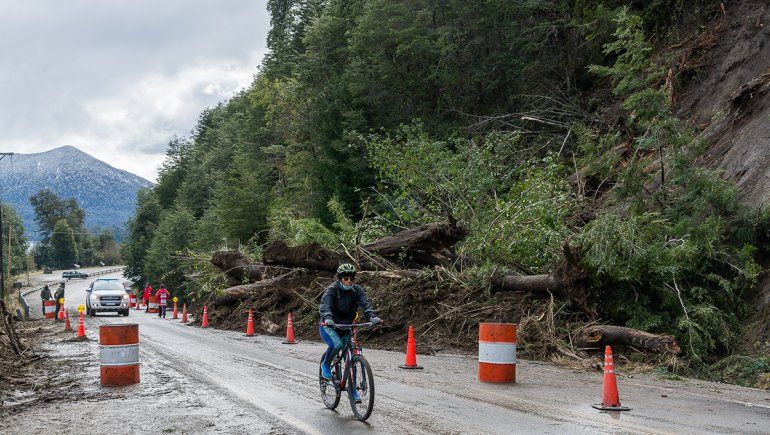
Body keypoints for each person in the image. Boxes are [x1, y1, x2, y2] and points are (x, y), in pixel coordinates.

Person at [319, 263, 381, 401]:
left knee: (350, 356)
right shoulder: (332, 290)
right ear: (340, 278)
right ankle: (325, 364)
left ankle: (352, 390)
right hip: (329, 326)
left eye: (351, 278)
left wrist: (372, 316)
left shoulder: (357, 290)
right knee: (337, 344)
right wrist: (328, 317)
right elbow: (325, 305)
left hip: (346, 326)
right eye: (346, 278)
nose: (349, 281)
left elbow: (366, 304)